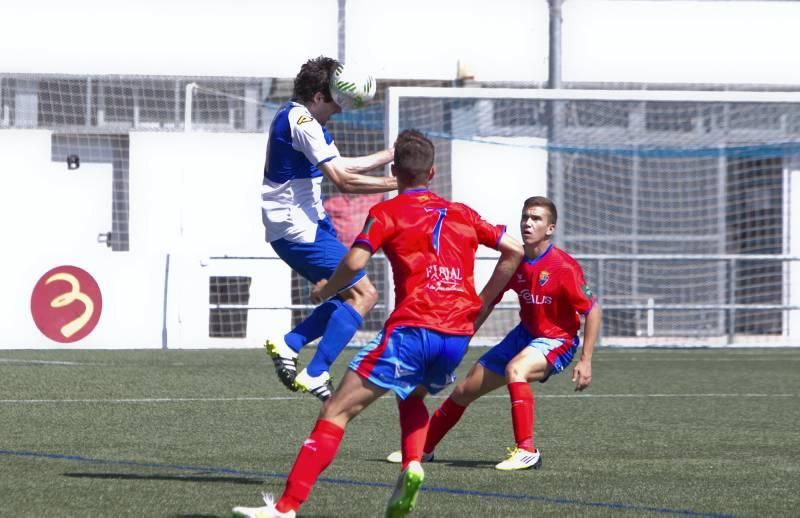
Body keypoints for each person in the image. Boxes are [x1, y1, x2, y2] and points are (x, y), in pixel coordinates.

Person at [233, 129, 524, 518]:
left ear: (396, 172)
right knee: (413, 394)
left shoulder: (386, 212)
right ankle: (412, 464)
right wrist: (482, 302)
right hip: (456, 337)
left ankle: (284, 509)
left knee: (336, 411)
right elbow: (515, 250)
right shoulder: (462, 212)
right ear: (432, 172)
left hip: (413, 330)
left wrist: (325, 289)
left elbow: (354, 263)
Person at [385, 195, 601, 470]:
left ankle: (527, 451)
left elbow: (592, 310)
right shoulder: (514, 260)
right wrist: (459, 340)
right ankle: (423, 450)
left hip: (558, 339)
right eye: (525, 217)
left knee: (516, 370)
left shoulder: (564, 267)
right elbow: (485, 302)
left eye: (536, 219)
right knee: (463, 390)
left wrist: (586, 360)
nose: (528, 223)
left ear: (550, 229)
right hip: (523, 335)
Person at [261, 56, 397, 401]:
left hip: (307, 225)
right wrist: (398, 182)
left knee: (343, 292)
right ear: (319, 96)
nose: (338, 111)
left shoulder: (303, 120)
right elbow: (343, 180)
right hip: (297, 228)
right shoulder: (301, 120)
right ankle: (317, 371)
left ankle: (289, 344)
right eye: (335, 103)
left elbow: (339, 165)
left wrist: (388, 155)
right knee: (364, 295)